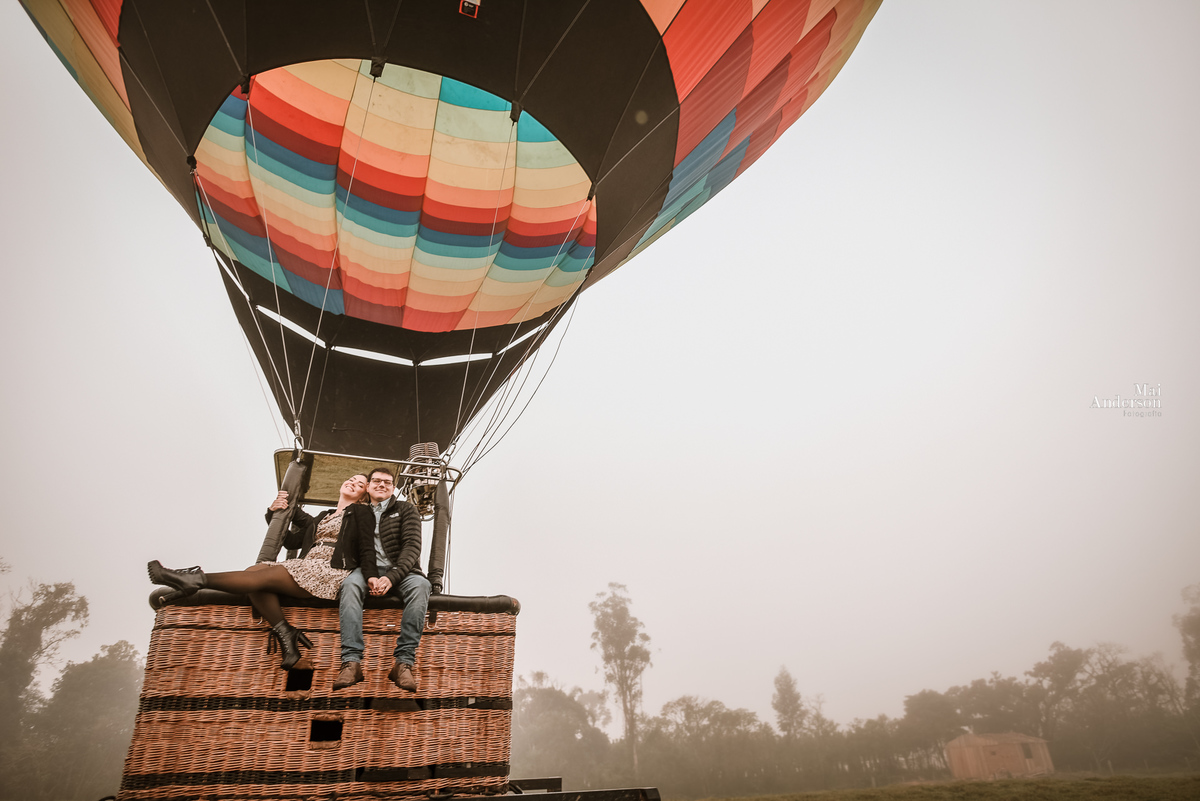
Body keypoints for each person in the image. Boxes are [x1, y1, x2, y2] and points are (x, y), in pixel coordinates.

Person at [147, 474, 373, 670]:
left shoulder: (362, 514)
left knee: (257, 576)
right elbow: (292, 540)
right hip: (307, 564)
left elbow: (367, 547)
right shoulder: (323, 515)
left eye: (360, 484)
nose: (353, 483)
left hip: (329, 570)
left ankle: (193, 579)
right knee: (255, 570)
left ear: (364, 495)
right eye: (351, 479)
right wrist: (273, 513)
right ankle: (286, 633)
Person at [333, 466, 431, 693]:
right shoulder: (360, 512)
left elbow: (412, 547)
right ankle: (351, 661)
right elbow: (361, 549)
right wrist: (371, 577)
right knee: (349, 586)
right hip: (367, 570)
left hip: (403, 571)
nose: (381, 485)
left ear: (393, 488)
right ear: (368, 487)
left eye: (387, 482)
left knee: (421, 586)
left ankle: (404, 662)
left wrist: (391, 577)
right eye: (376, 481)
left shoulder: (407, 509)